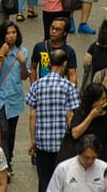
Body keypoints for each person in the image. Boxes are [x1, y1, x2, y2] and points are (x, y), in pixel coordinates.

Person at [25, 47, 81, 192]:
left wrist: (33, 141)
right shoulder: (69, 86)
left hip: (42, 142)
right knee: (62, 181)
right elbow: (71, 116)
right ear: (65, 64)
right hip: (62, 144)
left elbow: (32, 115)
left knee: (44, 180)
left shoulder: (37, 85)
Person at [0, 19, 30, 166]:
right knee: (3, 132)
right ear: (2, 35)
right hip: (0, 99)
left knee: (11, 133)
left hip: (15, 99)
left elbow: (24, 76)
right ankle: (4, 164)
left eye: (14, 33)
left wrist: (23, 63)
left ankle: (8, 158)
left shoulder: (22, 52)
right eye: (8, 33)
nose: (11, 36)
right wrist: (1, 55)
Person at [62, 82, 107, 163]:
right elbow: (75, 134)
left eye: (103, 99)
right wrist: (91, 116)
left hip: (105, 159)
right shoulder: (81, 112)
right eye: (97, 100)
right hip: (84, 159)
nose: (101, 103)